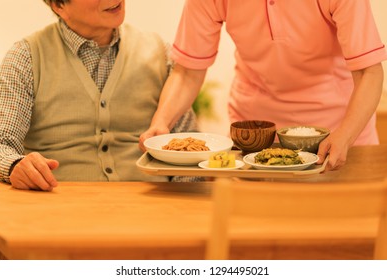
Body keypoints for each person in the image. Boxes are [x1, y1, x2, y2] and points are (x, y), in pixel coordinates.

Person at [140, 0, 387, 171]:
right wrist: (161, 123)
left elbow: (368, 72)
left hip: (339, 135)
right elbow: (187, 72)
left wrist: (345, 135)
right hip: (254, 140)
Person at [0, 0, 199, 191]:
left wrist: (184, 202)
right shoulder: (27, 56)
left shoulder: (158, 52)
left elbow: (189, 148)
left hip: (153, 209)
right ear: (59, 5)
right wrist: (15, 165)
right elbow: (1, 143)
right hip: (59, 208)